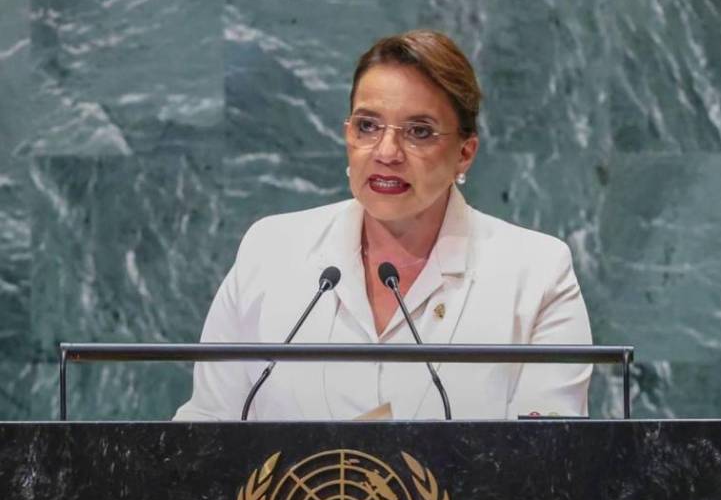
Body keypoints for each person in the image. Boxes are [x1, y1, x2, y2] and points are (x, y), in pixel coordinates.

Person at [174, 29, 592, 421]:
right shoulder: (271, 250)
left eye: (419, 132)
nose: (387, 152)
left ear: (465, 154)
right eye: (368, 126)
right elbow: (205, 430)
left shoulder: (536, 273)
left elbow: (549, 468)